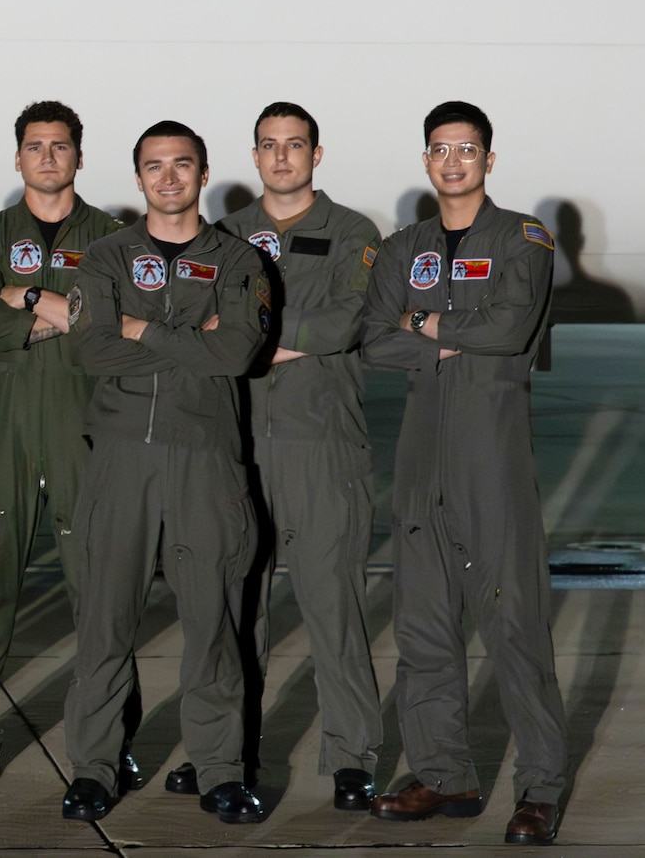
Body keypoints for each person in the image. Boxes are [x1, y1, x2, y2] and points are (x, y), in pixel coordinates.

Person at [360, 102, 565, 845]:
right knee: (422, 626)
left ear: (488, 158)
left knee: (514, 624)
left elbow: (511, 328)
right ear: (425, 160)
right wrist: (436, 339)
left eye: (467, 149)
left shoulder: (522, 238)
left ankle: (540, 786)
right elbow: (370, 337)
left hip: (491, 456)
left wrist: (423, 323)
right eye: (440, 149)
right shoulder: (401, 245)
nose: (453, 161)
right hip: (419, 457)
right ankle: (444, 772)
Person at [60, 121, 270, 826]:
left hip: (204, 457)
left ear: (204, 172)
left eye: (182, 164)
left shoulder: (240, 262)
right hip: (120, 456)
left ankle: (221, 770)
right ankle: (92, 766)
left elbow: (237, 351)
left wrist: (139, 328)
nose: (169, 177)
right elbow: (90, 349)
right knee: (104, 621)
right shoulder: (106, 258)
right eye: (155, 166)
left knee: (212, 621)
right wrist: (189, 341)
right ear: (138, 176)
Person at [215, 102, 384, 810]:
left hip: (322, 442)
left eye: (295, 145)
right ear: (254, 155)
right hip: (238, 442)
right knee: (237, 605)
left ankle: (351, 755)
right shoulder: (224, 235)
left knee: (331, 604)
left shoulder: (351, 232)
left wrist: (256, 337)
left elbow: (354, 315)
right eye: (269, 145)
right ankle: (231, 751)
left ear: (317, 154)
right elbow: (201, 316)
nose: (281, 157)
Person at [0, 102, 121, 782]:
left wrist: (25, 297)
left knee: (101, 597)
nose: (48, 157)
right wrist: (66, 310)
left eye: (61, 146)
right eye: (35, 146)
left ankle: (105, 746)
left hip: (87, 431)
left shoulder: (114, 237)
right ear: (17, 157)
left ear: (80, 157)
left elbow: (116, 324)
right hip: (6, 432)